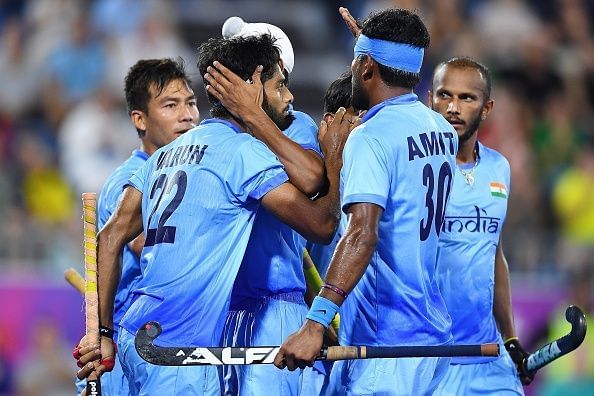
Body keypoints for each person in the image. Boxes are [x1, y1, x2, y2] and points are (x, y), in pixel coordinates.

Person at [75, 34, 356, 396]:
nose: (288, 96)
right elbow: (321, 225)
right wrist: (334, 159)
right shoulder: (242, 153)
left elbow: (108, 237)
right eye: (280, 84)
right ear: (251, 87)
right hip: (180, 349)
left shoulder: (163, 155)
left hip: (135, 333)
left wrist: (104, 333)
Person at [274, 8, 458, 395]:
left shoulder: (370, 137)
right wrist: (372, 55)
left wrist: (315, 323)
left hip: (383, 344)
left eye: (356, 61)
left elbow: (361, 235)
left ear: (367, 67)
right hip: (431, 339)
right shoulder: (442, 129)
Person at [73, 57, 199, 396]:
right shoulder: (129, 181)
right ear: (139, 120)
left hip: (154, 336)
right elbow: (150, 244)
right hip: (127, 344)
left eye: (191, 102)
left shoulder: (178, 173)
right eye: (171, 105)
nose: (187, 115)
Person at [214, 17, 326, 395]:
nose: (289, 94)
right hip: (223, 310)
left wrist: (256, 118)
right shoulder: (219, 133)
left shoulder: (295, 125)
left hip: (278, 303)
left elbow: (313, 178)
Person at [429, 57, 529, 395]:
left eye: (466, 98)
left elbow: (494, 254)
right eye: (444, 95)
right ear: (431, 99)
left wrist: (510, 337)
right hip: (431, 358)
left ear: (486, 108)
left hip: (489, 356)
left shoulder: (499, 168)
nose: (453, 107)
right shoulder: (415, 170)